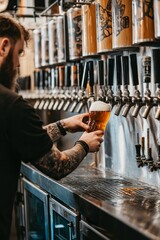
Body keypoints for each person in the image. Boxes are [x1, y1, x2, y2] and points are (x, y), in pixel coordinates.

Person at [0, 14, 104, 240]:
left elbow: (19, 138)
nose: (18, 64)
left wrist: (63, 125)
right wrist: (84, 146)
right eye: (18, 54)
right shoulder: (11, 105)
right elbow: (56, 166)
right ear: (4, 46)